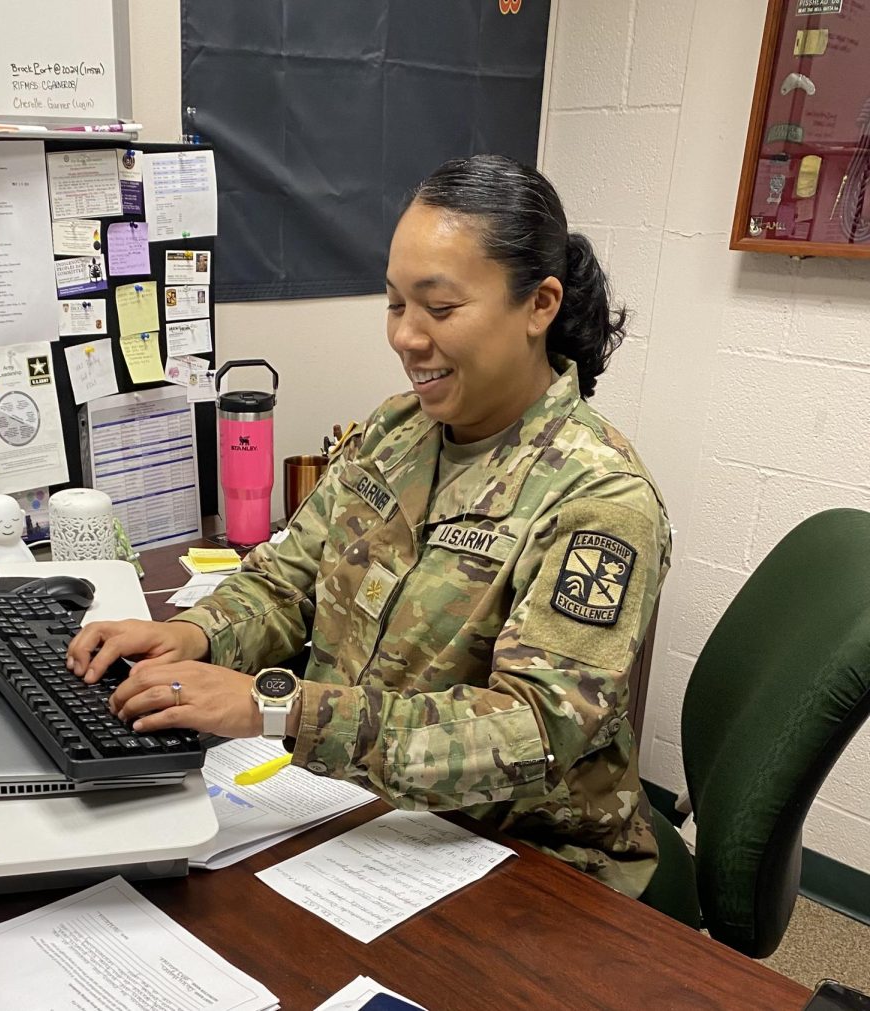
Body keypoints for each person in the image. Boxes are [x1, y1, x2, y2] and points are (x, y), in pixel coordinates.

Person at [68, 155, 672, 898]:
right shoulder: (398, 430)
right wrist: (197, 634)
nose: (407, 338)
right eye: (394, 304)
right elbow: (291, 577)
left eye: (439, 308)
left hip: (530, 862)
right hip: (355, 807)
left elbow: (533, 731)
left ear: (539, 304)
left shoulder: (599, 500)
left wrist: (278, 708)